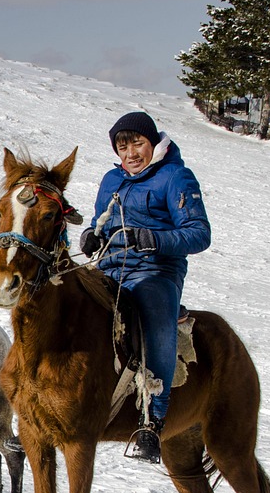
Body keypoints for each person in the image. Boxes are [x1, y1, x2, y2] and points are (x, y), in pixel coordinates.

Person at [79, 111, 211, 464]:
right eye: (123, 147)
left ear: (153, 143)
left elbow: (199, 234)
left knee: (156, 321)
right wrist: (91, 235)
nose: (130, 153)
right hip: (108, 268)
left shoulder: (176, 177)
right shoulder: (111, 179)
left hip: (156, 271)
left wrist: (152, 238)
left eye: (137, 143)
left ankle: (152, 421)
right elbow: (99, 222)